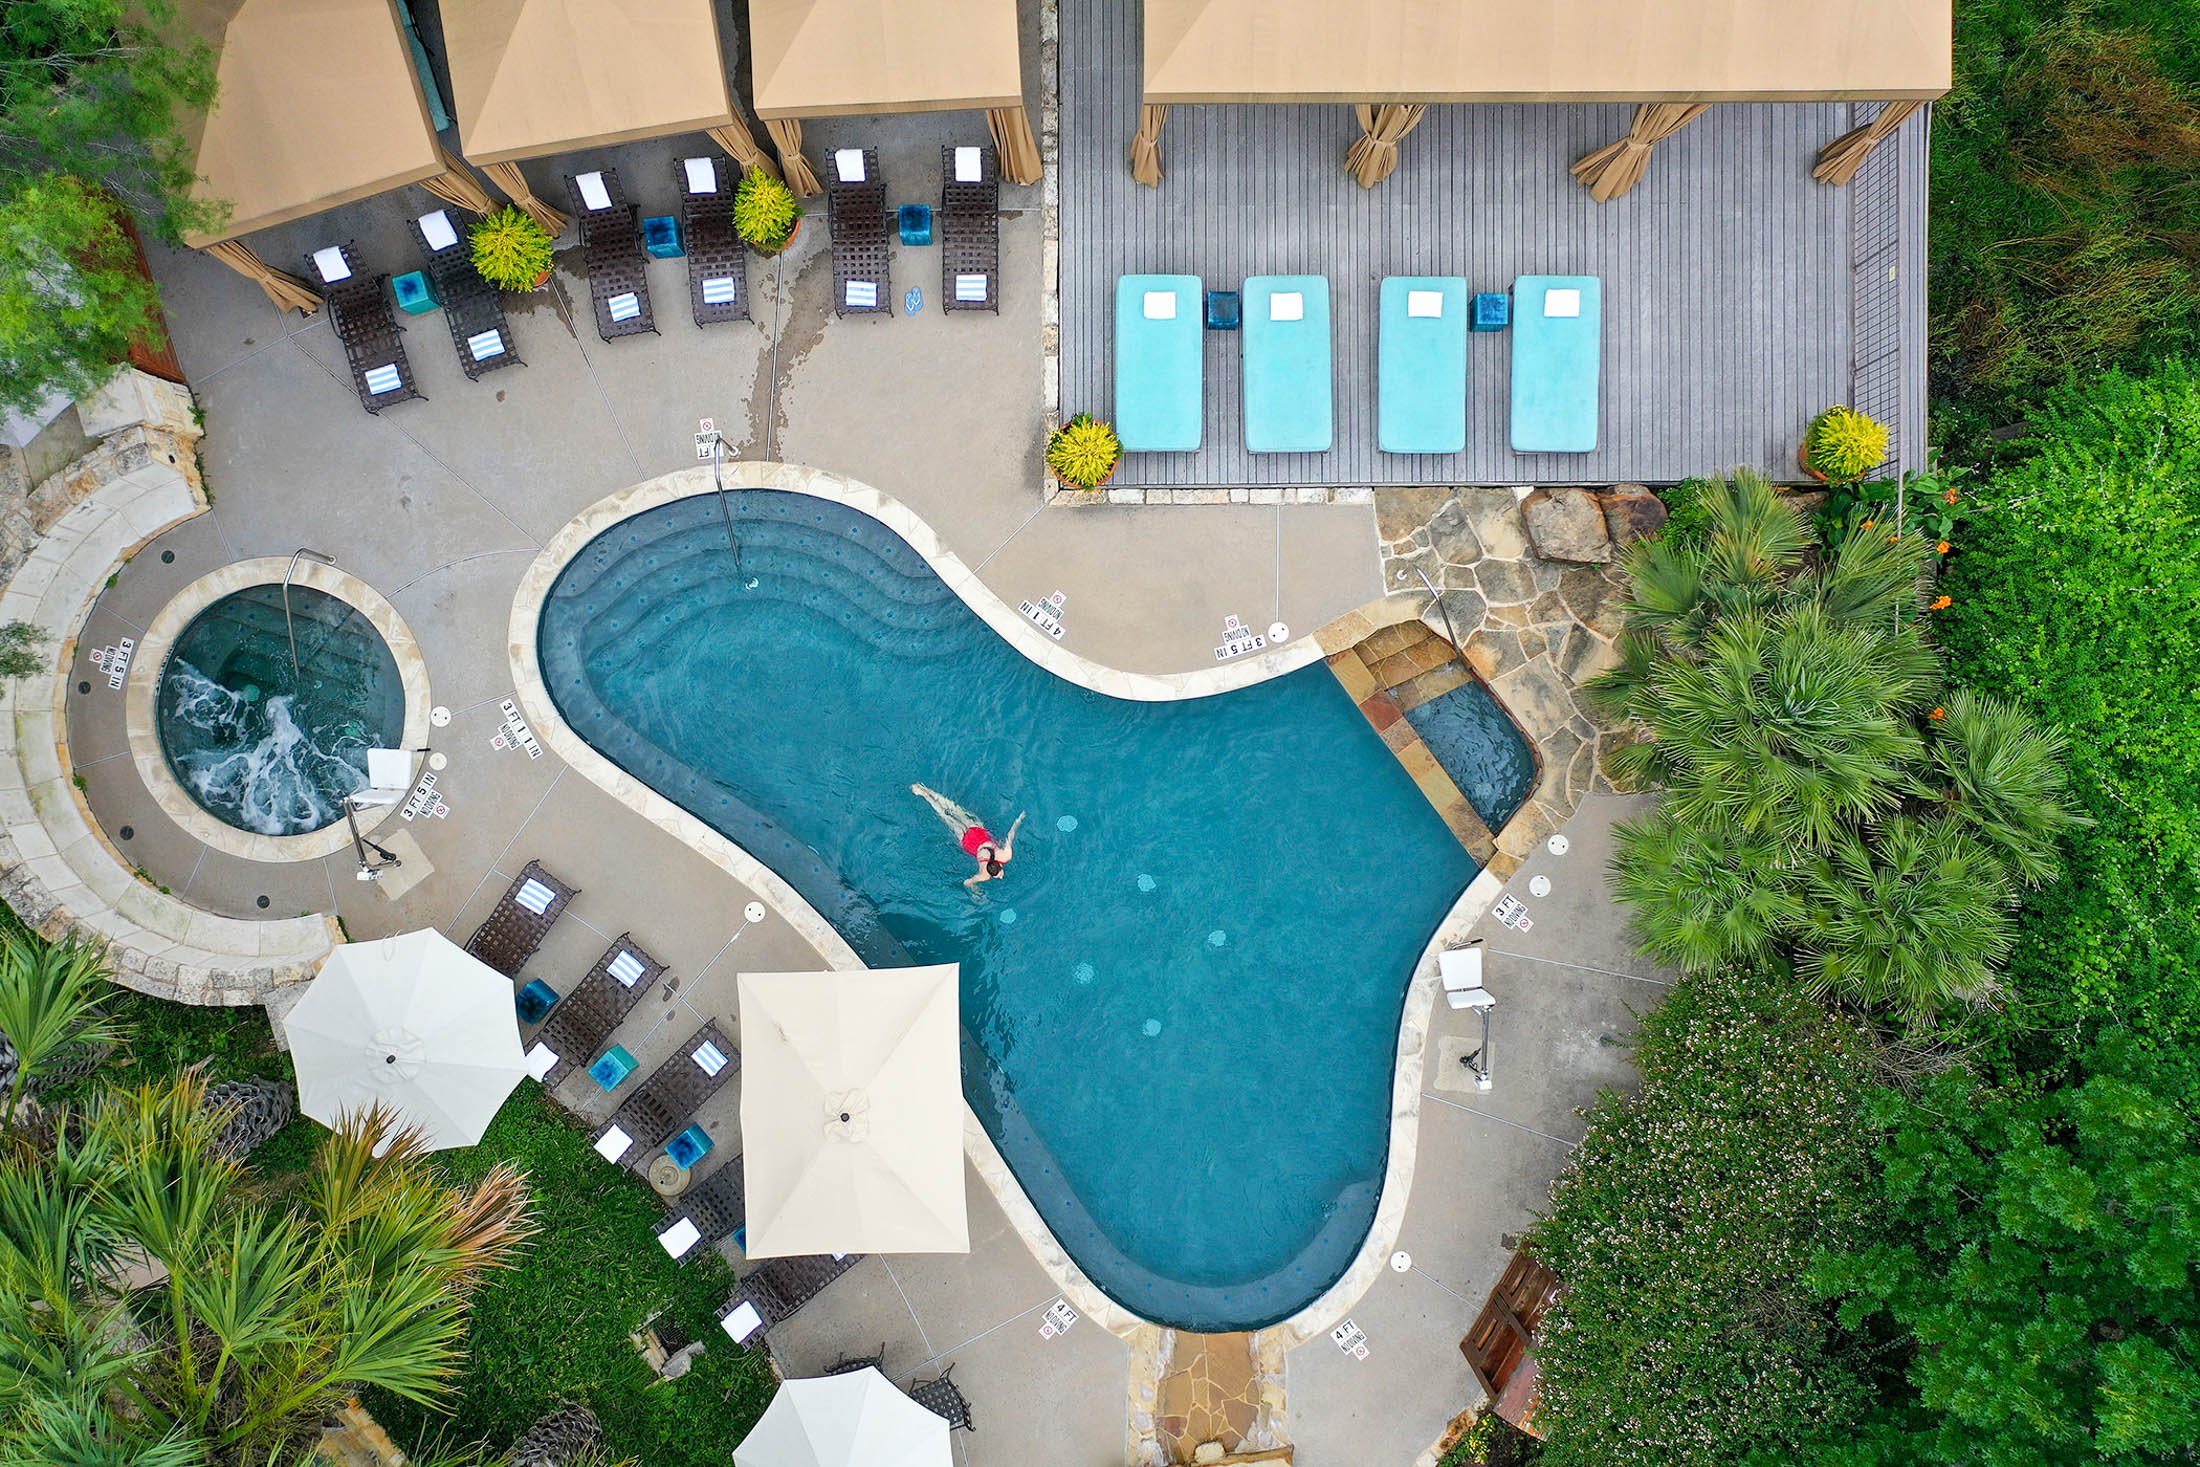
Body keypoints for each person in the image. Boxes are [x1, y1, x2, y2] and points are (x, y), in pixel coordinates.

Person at [912, 784, 1025, 890]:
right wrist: (976, 891)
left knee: (953, 809)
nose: (1001, 877)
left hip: (978, 833)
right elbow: (967, 883)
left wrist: (1018, 820)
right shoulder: (984, 875)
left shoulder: (1005, 855)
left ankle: (927, 791)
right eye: (999, 875)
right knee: (947, 817)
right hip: (968, 842)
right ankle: (925, 795)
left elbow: (1011, 835)